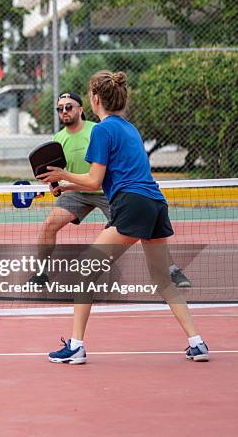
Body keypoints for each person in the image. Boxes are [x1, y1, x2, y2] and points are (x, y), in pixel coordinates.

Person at [40, 71, 208, 364]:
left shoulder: (101, 131)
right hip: (155, 204)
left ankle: (76, 347)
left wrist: (62, 174)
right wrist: (67, 184)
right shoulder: (130, 128)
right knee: (162, 278)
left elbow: (94, 182)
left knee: (84, 271)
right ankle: (197, 342)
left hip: (131, 205)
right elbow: (106, 178)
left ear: (94, 99)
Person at [31, 91, 191, 288]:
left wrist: (65, 179)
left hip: (106, 191)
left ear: (81, 109)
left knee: (143, 229)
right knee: (49, 224)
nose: (64, 111)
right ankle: (41, 272)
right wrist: (57, 185)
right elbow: (59, 172)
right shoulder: (58, 139)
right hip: (78, 192)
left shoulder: (98, 130)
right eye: (60, 108)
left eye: (69, 106)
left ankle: (172, 269)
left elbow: (96, 178)